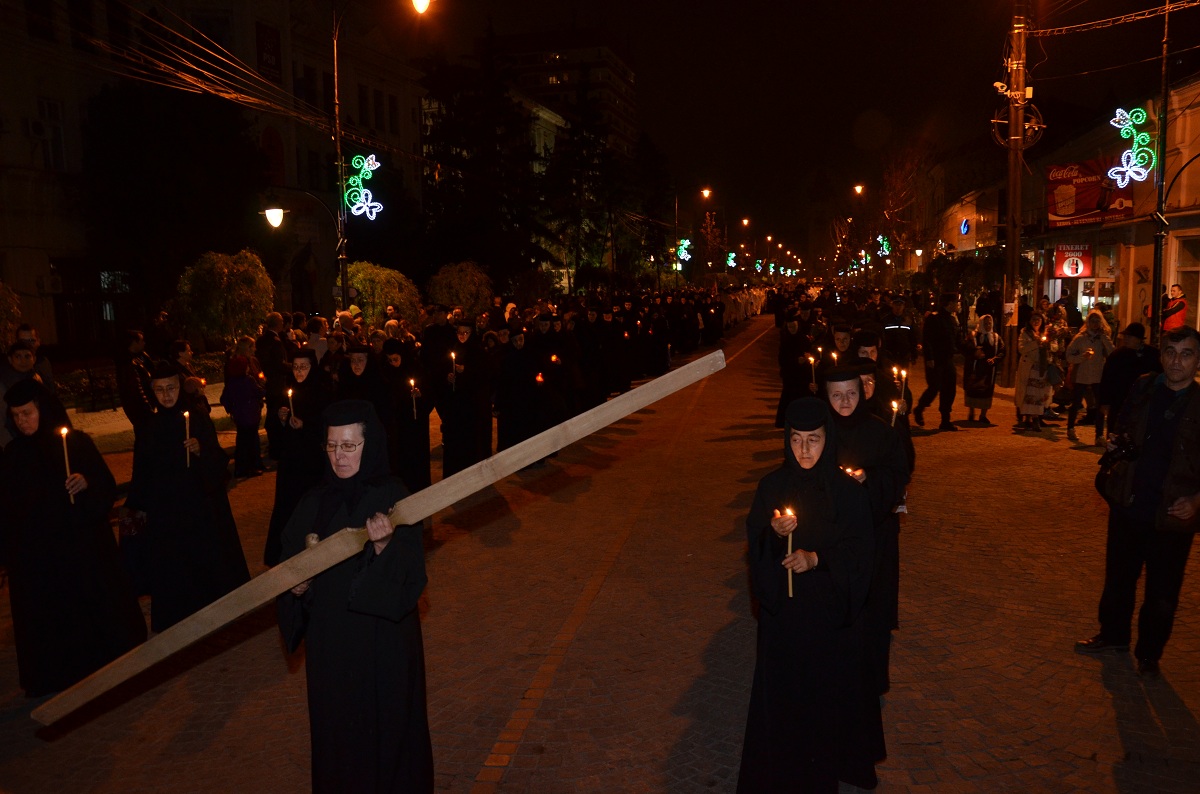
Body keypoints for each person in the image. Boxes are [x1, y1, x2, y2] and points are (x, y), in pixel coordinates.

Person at [277, 400, 434, 792]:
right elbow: (289, 567)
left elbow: (411, 579)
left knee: (388, 740)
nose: (339, 456)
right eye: (332, 446)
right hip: (332, 652)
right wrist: (297, 588)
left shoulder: (395, 498)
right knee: (339, 744)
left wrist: (384, 549)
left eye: (349, 446)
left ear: (371, 444)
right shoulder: (313, 501)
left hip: (382, 651)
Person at [738, 397, 880, 792]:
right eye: (797, 440)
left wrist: (816, 558)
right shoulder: (772, 486)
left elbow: (862, 551)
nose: (804, 450)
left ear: (827, 439)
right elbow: (755, 543)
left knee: (823, 702)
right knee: (784, 702)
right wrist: (772, 534)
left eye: (813, 440)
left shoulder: (847, 493)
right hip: (785, 621)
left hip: (828, 620)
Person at [0, 380, 146, 696]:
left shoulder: (75, 444)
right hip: (40, 558)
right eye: (15, 416)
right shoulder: (12, 455)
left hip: (80, 549)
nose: (21, 421)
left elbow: (105, 487)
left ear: (44, 409)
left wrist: (86, 481)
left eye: (27, 413)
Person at [1077, 327, 1200, 679]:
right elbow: (1124, 426)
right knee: (1118, 579)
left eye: (1186, 353)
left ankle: (1149, 655)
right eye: (1171, 352)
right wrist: (1116, 444)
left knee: (1162, 592)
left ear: (1197, 361)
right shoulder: (1145, 387)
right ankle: (1113, 636)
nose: (1177, 360)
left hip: (1172, 514)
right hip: (1129, 502)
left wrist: (1196, 501)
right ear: (1161, 355)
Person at [127, 362, 250, 631]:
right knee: (173, 567)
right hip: (166, 511)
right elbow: (142, 470)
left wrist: (200, 450)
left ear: (179, 387)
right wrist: (139, 505)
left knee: (205, 559)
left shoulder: (196, 417)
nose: (166, 395)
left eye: (171, 387)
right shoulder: (148, 427)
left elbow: (218, 460)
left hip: (198, 506)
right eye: (159, 390)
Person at [824, 366, 910, 697]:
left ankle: (871, 681)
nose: (844, 401)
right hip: (833, 540)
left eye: (851, 393)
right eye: (836, 394)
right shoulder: (819, 434)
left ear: (861, 394)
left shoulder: (881, 433)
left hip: (876, 539)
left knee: (872, 612)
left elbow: (898, 476)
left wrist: (868, 481)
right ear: (826, 396)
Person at [263, 350, 333, 566]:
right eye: (295, 367)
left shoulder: (323, 390)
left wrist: (307, 425)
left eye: (304, 366)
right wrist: (281, 419)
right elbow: (273, 429)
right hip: (291, 463)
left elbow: (328, 424)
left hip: (313, 463)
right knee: (288, 506)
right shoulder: (286, 393)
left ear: (312, 367)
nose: (299, 371)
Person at [1098, 322, 1161, 434]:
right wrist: (1105, 401)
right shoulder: (1117, 355)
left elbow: (1159, 376)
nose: (1125, 339)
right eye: (1125, 336)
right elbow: (1107, 379)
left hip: (1143, 401)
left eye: (1129, 336)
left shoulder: (1152, 355)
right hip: (1120, 400)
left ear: (1139, 339)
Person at [1065, 309, 1115, 445]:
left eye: (1097, 321)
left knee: (1100, 406)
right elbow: (1069, 355)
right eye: (1092, 321)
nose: (1094, 324)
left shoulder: (1103, 337)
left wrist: (1104, 338)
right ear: (1088, 322)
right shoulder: (1080, 338)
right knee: (1076, 403)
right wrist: (1082, 357)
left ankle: (1099, 435)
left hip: (1098, 375)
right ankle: (1070, 428)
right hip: (1082, 374)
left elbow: (1112, 353)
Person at [913, 293, 962, 431]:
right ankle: (920, 408)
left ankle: (945, 420)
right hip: (936, 360)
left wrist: (971, 350)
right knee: (934, 387)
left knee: (949, 389)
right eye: (956, 303)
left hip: (948, 359)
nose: (957, 305)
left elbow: (957, 340)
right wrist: (929, 358)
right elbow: (927, 339)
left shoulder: (952, 320)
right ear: (950, 303)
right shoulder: (934, 318)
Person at [220, 336, 266, 478]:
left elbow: (225, 396)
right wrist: (261, 388)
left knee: (246, 438)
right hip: (248, 410)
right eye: (252, 347)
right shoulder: (241, 371)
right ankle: (250, 465)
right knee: (249, 439)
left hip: (246, 410)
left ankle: (250, 464)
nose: (255, 350)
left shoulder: (251, 363)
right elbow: (257, 390)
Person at [1014, 312, 1054, 431]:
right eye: (1034, 319)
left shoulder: (1045, 333)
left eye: (1039, 319)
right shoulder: (1025, 333)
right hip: (1030, 369)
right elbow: (1022, 349)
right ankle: (1032, 419)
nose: (1036, 321)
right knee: (1030, 394)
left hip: (1042, 368)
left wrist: (1049, 345)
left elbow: (1054, 347)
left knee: (1041, 394)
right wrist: (1035, 343)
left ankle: (1038, 417)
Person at [962, 314, 1005, 425]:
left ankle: (983, 415)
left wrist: (995, 359)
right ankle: (971, 411)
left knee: (986, 392)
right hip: (975, 368)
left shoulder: (995, 338)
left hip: (988, 370)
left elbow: (1002, 351)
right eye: (985, 323)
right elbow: (966, 349)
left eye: (989, 323)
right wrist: (975, 353)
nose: (987, 325)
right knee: (972, 390)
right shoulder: (973, 336)